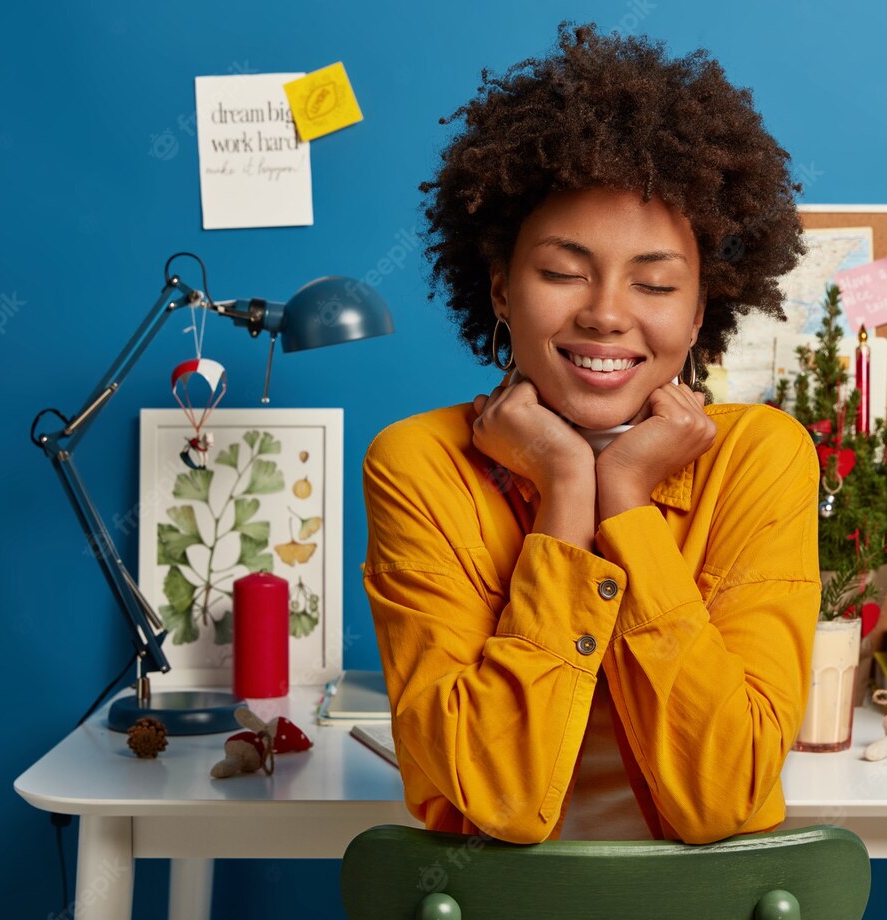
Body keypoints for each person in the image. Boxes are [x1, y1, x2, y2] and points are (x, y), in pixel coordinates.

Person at [362, 22, 818, 845]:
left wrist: (628, 503)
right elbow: (495, 795)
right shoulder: (417, 465)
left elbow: (729, 791)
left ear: (699, 311)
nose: (607, 312)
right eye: (563, 272)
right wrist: (567, 490)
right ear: (501, 288)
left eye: (654, 282)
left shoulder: (760, 456)